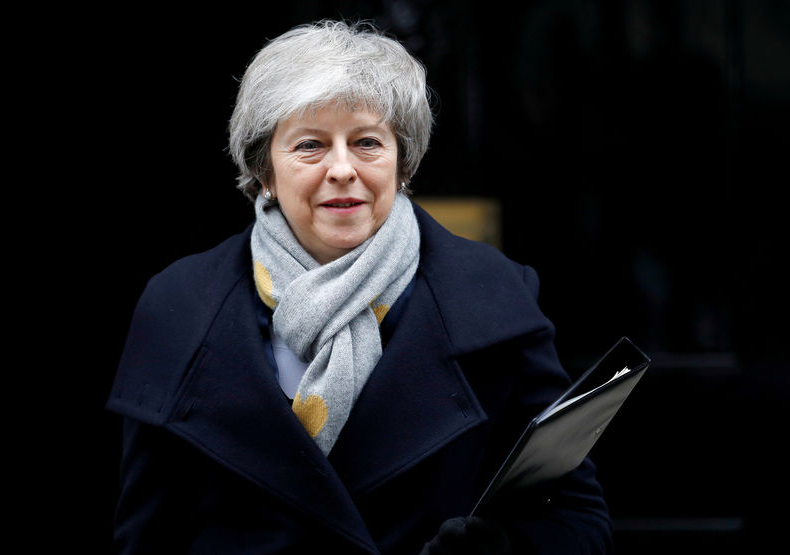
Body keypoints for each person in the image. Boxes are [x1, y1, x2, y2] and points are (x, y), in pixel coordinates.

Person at [107, 20, 613, 554]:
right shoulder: (178, 306)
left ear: (403, 163)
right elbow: (144, 537)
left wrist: (500, 549)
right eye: (310, 145)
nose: (343, 169)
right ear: (264, 171)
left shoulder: (497, 296)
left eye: (368, 142)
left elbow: (576, 517)